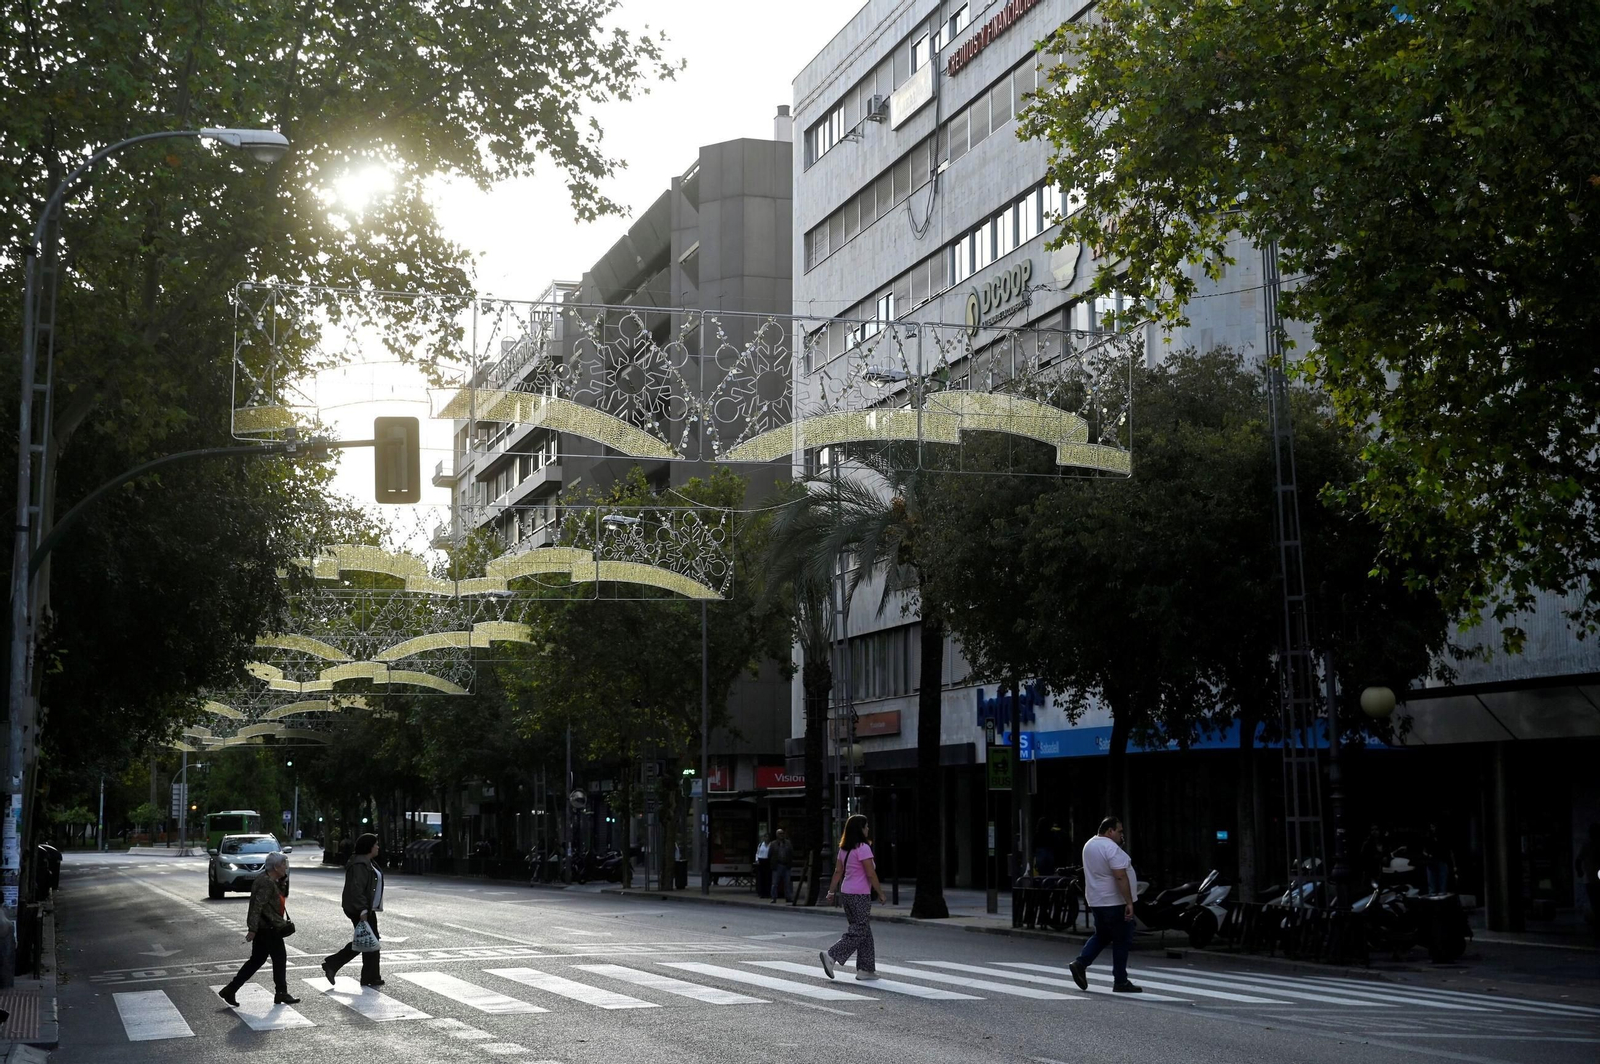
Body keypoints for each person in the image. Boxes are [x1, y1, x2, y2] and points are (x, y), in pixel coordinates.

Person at [1067, 816, 1142, 994]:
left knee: (1102, 935)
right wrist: (1129, 901)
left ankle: (1080, 963)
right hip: (1113, 901)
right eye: (1120, 831)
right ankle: (1120, 980)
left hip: (1097, 900)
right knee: (1122, 939)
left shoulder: (1090, 844)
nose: (1122, 834)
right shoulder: (1110, 847)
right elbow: (1120, 875)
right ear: (1110, 831)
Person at [218, 851, 298, 1006]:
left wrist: (281, 882)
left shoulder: (268, 879)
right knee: (279, 958)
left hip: (266, 927)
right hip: (268, 928)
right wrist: (252, 929)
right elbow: (257, 906)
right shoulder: (266, 882)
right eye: (283, 864)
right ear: (275, 866)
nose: (285, 867)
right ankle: (281, 992)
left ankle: (230, 989)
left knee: (257, 960)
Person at [819, 814, 887, 981]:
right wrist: (880, 892)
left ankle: (866, 969)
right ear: (860, 829)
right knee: (858, 930)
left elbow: (837, 872)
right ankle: (831, 955)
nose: (868, 829)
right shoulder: (863, 848)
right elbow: (870, 873)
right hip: (859, 894)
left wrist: (831, 891)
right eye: (866, 826)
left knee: (864, 930)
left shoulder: (844, 849)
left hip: (847, 893)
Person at [321, 833, 385, 987]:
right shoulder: (359, 864)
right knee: (368, 940)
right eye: (376, 844)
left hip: (367, 908)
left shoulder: (368, 862)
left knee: (371, 941)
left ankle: (371, 976)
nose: (378, 847)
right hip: (359, 908)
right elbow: (356, 889)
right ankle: (333, 963)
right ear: (369, 847)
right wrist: (362, 909)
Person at [1577, 824, 1600, 941]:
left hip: (1591, 879)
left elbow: (1578, 860)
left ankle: (1596, 927)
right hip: (1592, 878)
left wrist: (1580, 872)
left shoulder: (1587, 845)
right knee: (1595, 903)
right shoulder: (1589, 845)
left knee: (1595, 903)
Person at [1421, 823, 1453, 895]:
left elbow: (1448, 850)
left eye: (1434, 827)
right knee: (1432, 878)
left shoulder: (1442, 837)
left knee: (1442, 877)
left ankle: (1442, 892)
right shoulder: (1428, 838)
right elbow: (1424, 851)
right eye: (1431, 827)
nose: (1433, 829)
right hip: (1431, 860)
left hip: (1441, 859)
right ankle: (1433, 892)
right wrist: (1429, 855)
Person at [769, 828, 795, 903]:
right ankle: (774, 897)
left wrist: (790, 862)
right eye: (780, 834)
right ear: (777, 835)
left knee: (787, 882)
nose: (781, 835)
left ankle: (788, 897)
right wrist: (773, 863)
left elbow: (791, 853)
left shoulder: (788, 843)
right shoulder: (773, 844)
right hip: (777, 865)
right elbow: (770, 855)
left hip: (786, 865)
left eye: (782, 833)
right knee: (775, 883)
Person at [755, 831, 772, 899]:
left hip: (768, 861)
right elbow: (757, 853)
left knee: (768, 878)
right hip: (761, 861)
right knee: (761, 878)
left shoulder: (771, 845)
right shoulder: (760, 845)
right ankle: (762, 893)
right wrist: (757, 860)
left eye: (767, 837)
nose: (766, 838)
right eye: (765, 837)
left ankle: (767, 893)